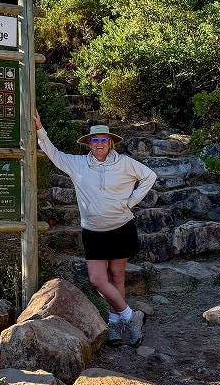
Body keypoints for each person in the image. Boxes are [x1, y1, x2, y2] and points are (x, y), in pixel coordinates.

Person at [33, 115, 157, 347]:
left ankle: (114, 326)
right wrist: (40, 130)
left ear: (110, 142)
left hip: (121, 228)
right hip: (93, 232)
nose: (99, 143)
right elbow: (54, 154)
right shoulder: (77, 164)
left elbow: (150, 176)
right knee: (98, 280)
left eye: (104, 139)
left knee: (117, 277)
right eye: (95, 139)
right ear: (89, 143)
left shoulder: (125, 163)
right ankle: (132, 317)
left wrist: (131, 201)